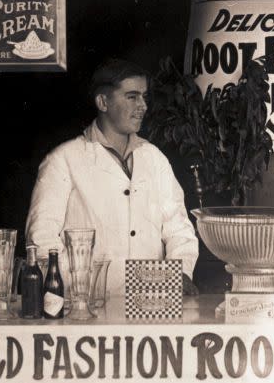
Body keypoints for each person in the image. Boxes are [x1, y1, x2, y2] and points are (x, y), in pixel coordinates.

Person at [25, 58, 199, 296]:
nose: (143, 106)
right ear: (103, 101)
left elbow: (179, 230)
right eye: (132, 96)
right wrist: (83, 287)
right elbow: (41, 241)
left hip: (151, 307)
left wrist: (180, 275)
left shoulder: (154, 158)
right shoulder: (62, 160)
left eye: (144, 96)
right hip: (86, 308)